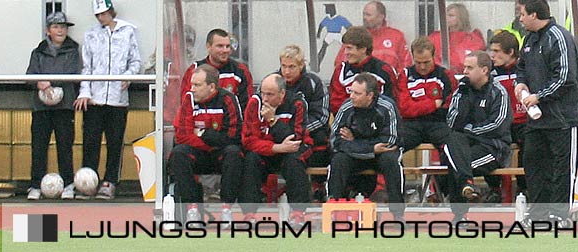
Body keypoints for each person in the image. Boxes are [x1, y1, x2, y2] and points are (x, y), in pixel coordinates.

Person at [514, 0, 578, 216]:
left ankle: (559, 213)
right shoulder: (529, 39)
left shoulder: (558, 37)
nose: (520, 19)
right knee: (532, 162)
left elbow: (565, 77)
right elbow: (521, 67)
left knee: (562, 168)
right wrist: (520, 84)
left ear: (534, 14)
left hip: (562, 118)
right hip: (537, 119)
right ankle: (539, 212)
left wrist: (539, 96)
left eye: (522, 14)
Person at [78, 0, 141, 200]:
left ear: (111, 11)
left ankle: (110, 181)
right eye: (98, 15)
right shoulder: (90, 34)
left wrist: (128, 77)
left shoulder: (128, 31)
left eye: (104, 13)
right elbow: (87, 66)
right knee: (90, 142)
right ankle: (88, 181)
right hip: (95, 98)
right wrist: (85, 92)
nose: (101, 18)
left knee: (115, 142)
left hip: (118, 98)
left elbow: (135, 61)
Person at [438, 50, 512, 217]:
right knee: (453, 140)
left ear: (484, 70)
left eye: (469, 68)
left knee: (455, 164)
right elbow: (452, 123)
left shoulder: (498, 92)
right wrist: (462, 95)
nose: (464, 72)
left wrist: (469, 130)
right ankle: (467, 183)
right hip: (465, 147)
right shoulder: (461, 91)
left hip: (492, 149)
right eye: (464, 67)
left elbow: (497, 126)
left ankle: (460, 215)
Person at [169, 63, 246, 222]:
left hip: (221, 155)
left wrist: (203, 133)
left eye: (197, 85)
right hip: (199, 154)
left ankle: (226, 209)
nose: (192, 89)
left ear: (212, 87)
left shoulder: (228, 99)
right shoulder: (188, 99)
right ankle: (192, 209)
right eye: (192, 84)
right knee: (178, 153)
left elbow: (234, 137)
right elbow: (182, 136)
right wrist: (211, 142)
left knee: (233, 152)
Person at [327, 72, 405, 219]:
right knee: (338, 160)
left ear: (370, 95)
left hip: (381, 155)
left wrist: (354, 142)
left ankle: (398, 214)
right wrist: (370, 148)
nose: (351, 96)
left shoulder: (387, 107)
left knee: (391, 161)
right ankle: (334, 209)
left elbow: (390, 140)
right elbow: (335, 141)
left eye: (357, 93)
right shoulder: (346, 108)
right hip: (362, 153)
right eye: (351, 91)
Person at [26, 11, 81, 200]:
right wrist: (40, 82)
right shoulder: (38, 51)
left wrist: (52, 83)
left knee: (65, 146)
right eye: (56, 27)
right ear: (48, 30)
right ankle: (35, 184)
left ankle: (68, 184)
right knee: (39, 146)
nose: (61, 30)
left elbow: (74, 73)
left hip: (64, 106)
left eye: (63, 26)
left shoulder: (73, 50)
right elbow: (30, 75)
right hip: (41, 107)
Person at [240, 72, 312, 217]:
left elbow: (294, 140)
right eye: (263, 93)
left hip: (292, 150)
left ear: (282, 93)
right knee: (250, 159)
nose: (265, 98)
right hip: (269, 150)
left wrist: (273, 121)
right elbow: (248, 141)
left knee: (294, 161)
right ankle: (249, 214)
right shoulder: (255, 103)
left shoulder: (297, 104)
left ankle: (298, 213)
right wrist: (275, 148)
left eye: (270, 94)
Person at [183, 28, 253, 104]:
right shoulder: (194, 69)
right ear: (208, 46)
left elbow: (247, 107)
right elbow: (185, 103)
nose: (225, 50)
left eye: (228, 46)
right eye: (220, 46)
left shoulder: (240, 71)